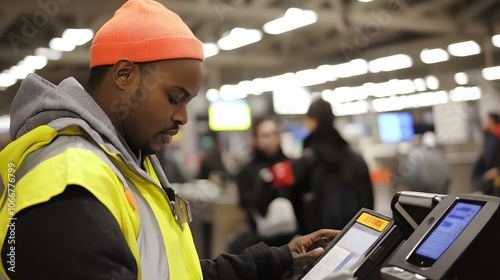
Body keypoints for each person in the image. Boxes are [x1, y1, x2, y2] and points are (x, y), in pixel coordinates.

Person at [0, 1, 338, 279]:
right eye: (174, 98)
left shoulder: (126, 165)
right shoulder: (70, 186)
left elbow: (173, 272)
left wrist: (278, 259)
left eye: (187, 102)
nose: (182, 118)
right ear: (124, 75)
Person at [291, 98, 374, 234]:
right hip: (356, 234)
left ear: (313, 121)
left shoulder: (305, 162)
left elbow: (295, 203)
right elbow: (369, 200)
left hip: (318, 241)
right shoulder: (356, 159)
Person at [228, 115, 297, 254]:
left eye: (274, 134)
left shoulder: (291, 165)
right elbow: (244, 202)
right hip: (259, 241)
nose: (270, 139)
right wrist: (264, 186)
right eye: (265, 135)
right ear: (256, 139)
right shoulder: (247, 170)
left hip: (292, 239)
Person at [471, 112, 500, 194]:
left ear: (491, 121)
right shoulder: (490, 137)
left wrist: (497, 171)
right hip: (487, 181)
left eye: (485, 120)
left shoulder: (496, 136)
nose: (482, 123)